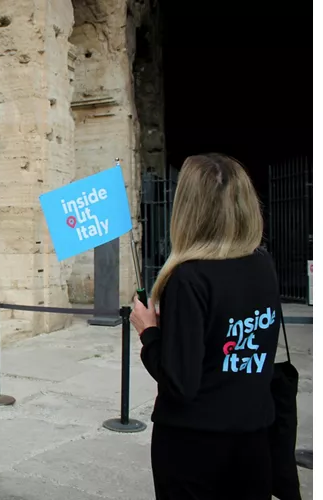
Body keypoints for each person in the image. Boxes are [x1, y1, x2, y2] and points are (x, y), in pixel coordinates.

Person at [129, 153, 280, 500]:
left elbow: (180, 383)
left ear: (188, 209)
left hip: (195, 444)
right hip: (254, 435)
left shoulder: (189, 277)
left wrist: (148, 331)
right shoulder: (262, 264)